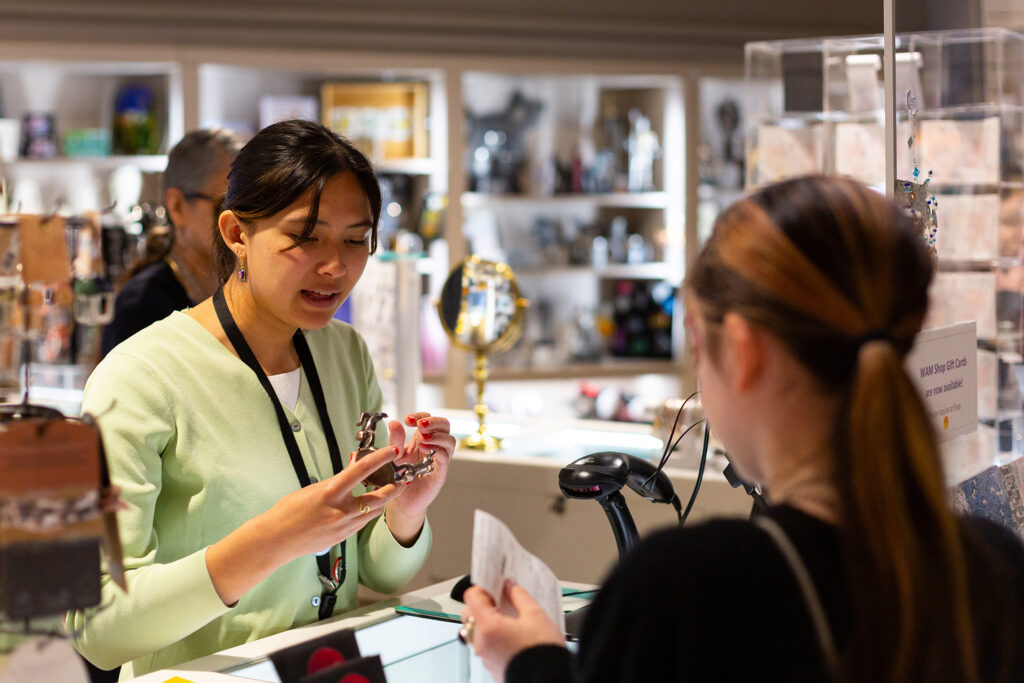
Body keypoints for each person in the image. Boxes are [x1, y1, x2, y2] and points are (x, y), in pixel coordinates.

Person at [461, 175, 1024, 682]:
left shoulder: (690, 590)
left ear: (746, 351)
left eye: (700, 346)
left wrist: (531, 663)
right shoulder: (994, 566)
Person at [69, 120, 456, 678]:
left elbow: (374, 573)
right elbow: (96, 627)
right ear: (235, 233)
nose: (336, 266)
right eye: (306, 236)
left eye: (355, 240)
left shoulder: (344, 353)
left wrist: (405, 512)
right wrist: (268, 544)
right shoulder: (139, 377)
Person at [101, 128, 243, 355]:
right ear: (177, 206)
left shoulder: (240, 287)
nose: (241, 219)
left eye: (249, 205)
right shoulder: (142, 304)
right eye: (226, 203)